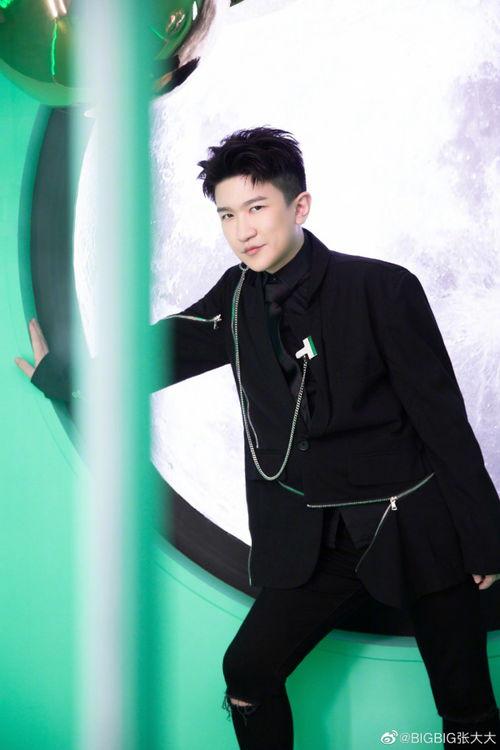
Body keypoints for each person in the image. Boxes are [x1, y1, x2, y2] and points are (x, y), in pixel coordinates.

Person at [16, 127, 500, 749]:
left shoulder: (383, 287)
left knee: (467, 711)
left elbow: (443, 420)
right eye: (226, 215)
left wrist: (484, 538)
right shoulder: (237, 296)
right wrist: (66, 376)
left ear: (299, 206)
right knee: (247, 672)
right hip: (315, 545)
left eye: (255, 207)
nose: (241, 229)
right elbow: (164, 348)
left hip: (410, 527)